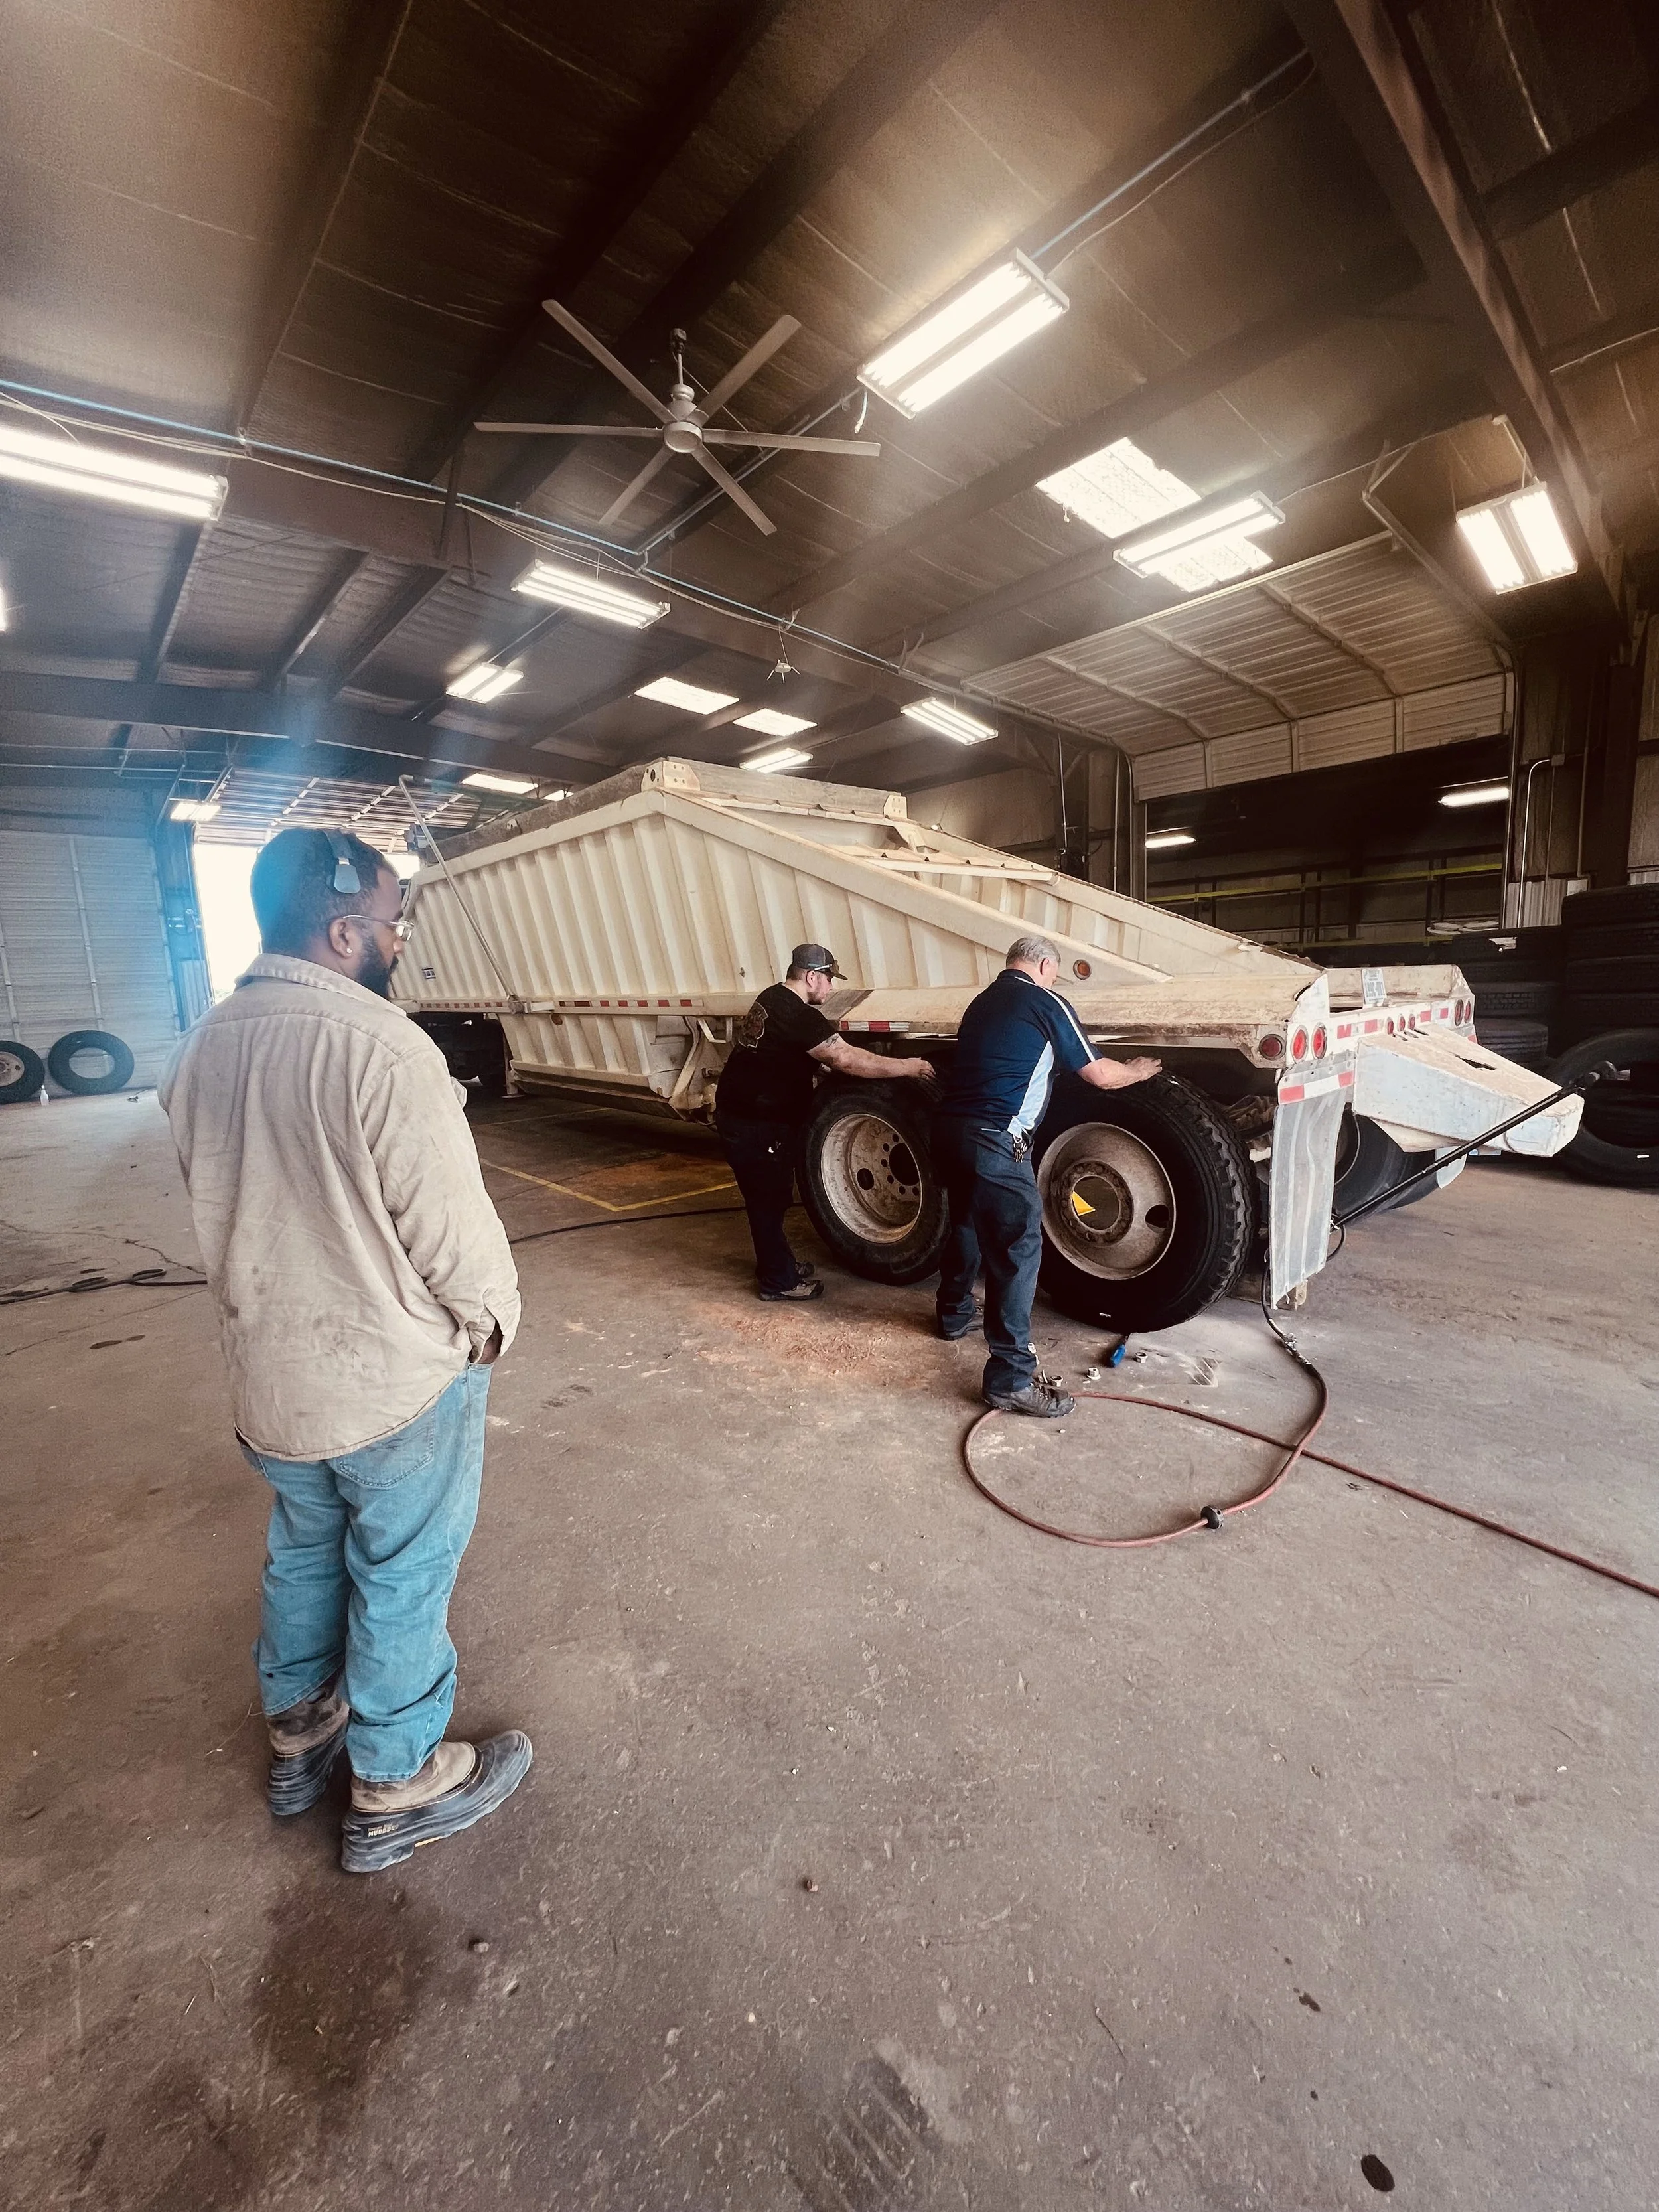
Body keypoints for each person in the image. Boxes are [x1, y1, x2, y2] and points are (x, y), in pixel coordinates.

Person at [159, 826, 532, 1876]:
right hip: (390, 1387)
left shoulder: (199, 1046)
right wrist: (487, 1331)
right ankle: (394, 1782)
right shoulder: (382, 1047)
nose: (398, 938)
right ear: (339, 930)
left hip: (271, 1386)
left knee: (305, 1552)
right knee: (403, 1575)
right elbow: (454, 1240)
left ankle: (298, 1738)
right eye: (389, 921)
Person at [932, 934, 1160, 1418]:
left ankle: (953, 1314)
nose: (1055, 978)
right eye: (1054, 970)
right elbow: (1098, 1073)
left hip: (950, 1131)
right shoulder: (1045, 999)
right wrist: (1138, 1071)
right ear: (1042, 964)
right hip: (994, 1141)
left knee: (968, 1222)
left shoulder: (981, 1003)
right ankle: (1011, 1379)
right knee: (1019, 1246)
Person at [715, 942, 934, 1300]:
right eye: (829, 979)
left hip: (742, 1115)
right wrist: (908, 1066)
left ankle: (777, 1263)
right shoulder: (799, 1015)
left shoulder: (772, 999)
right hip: (756, 1124)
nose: (831, 987)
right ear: (811, 976)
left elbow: (780, 1052)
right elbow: (847, 1059)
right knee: (766, 1202)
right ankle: (778, 1282)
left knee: (767, 1199)